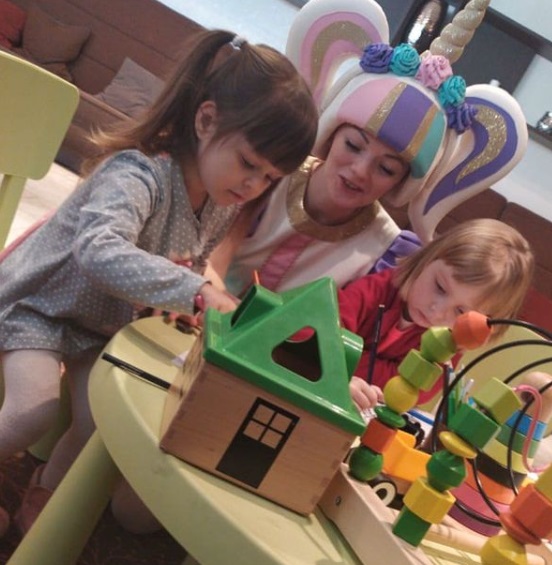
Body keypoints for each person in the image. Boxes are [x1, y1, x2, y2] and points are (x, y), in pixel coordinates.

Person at [0, 29, 318, 536]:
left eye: (268, 178)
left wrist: (196, 296)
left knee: (100, 421)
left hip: (98, 326)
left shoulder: (219, 202)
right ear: (206, 120)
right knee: (31, 411)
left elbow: (187, 262)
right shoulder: (140, 172)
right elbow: (98, 249)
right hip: (38, 307)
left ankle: (43, 496)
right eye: (249, 164)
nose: (253, 185)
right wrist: (196, 291)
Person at [208, 0, 528, 297]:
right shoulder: (268, 177)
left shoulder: (384, 250)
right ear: (331, 135)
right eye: (353, 145)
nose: (360, 171)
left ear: (402, 182)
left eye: (386, 168)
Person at [340, 219, 535, 414]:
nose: (437, 311)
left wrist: (350, 360)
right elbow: (326, 339)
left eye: (460, 312)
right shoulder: (377, 289)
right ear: (427, 259)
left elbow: (415, 390)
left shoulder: (449, 342)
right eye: (440, 287)